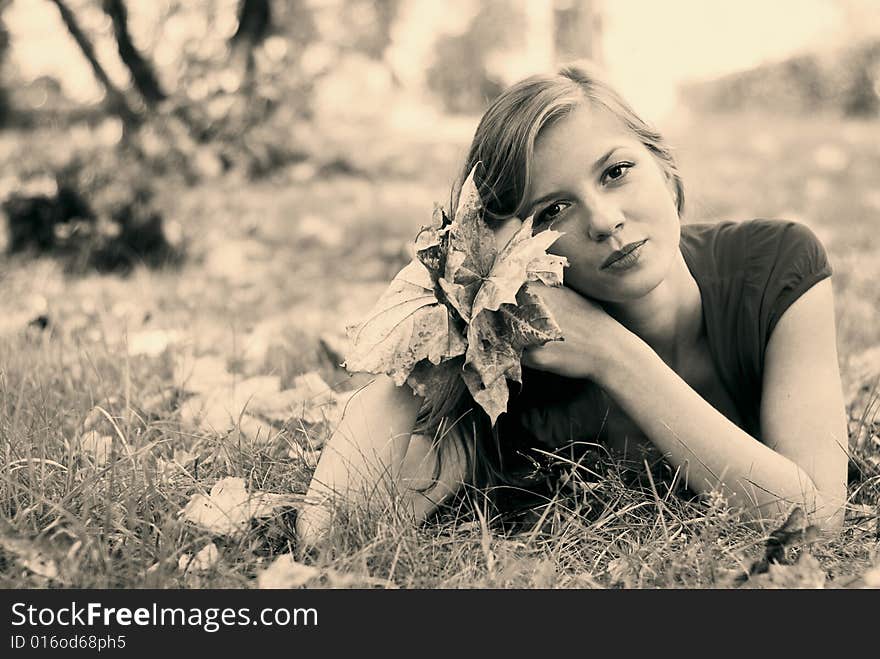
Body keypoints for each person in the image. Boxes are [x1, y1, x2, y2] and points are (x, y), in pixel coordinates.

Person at [296, 62, 849, 550]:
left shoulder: (774, 266)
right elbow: (330, 534)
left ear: (665, 166)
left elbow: (817, 519)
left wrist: (611, 354)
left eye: (617, 171)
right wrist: (449, 304)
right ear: (515, 251)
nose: (605, 220)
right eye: (554, 210)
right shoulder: (524, 378)